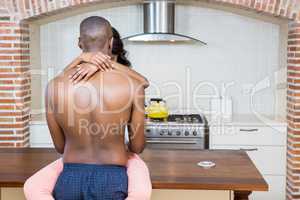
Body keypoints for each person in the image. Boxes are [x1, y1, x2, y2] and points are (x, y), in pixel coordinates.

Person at [25, 16, 149, 200]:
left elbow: (60, 147)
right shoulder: (132, 86)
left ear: (79, 43)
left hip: (69, 181)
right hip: (112, 180)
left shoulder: (53, 87)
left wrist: (85, 60)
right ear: (111, 42)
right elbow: (137, 147)